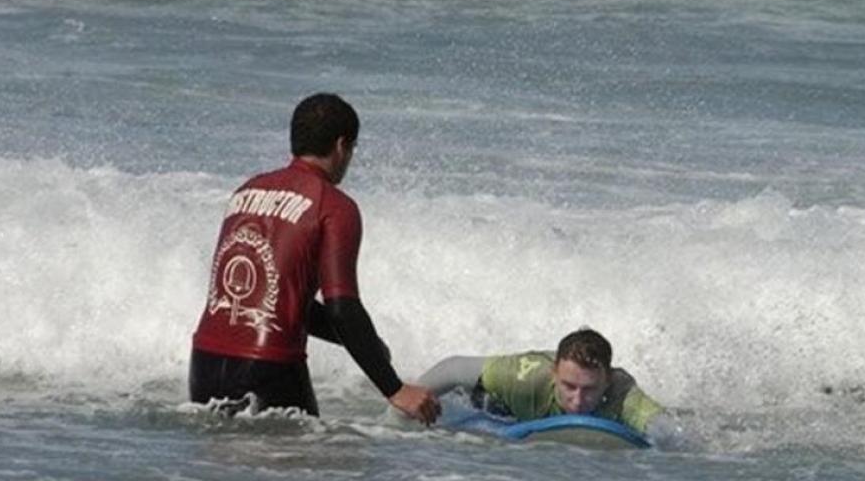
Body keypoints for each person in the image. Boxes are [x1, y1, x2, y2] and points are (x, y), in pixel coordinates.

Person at [190, 93, 439, 425]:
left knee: (220, 476)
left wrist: (369, 347)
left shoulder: (245, 192)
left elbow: (278, 299)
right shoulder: (333, 206)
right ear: (341, 146)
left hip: (205, 363)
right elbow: (342, 306)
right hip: (269, 368)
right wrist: (394, 388)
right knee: (318, 471)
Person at [419, 327, 664, 434]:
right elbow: (453, 368)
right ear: (554, 372)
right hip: (504, 406)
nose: (578, 401)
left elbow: (661, 426)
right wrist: (398, 411)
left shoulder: (623, 393)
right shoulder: (524, 377)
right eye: (569, 386)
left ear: (607, 380)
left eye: (590, 389)